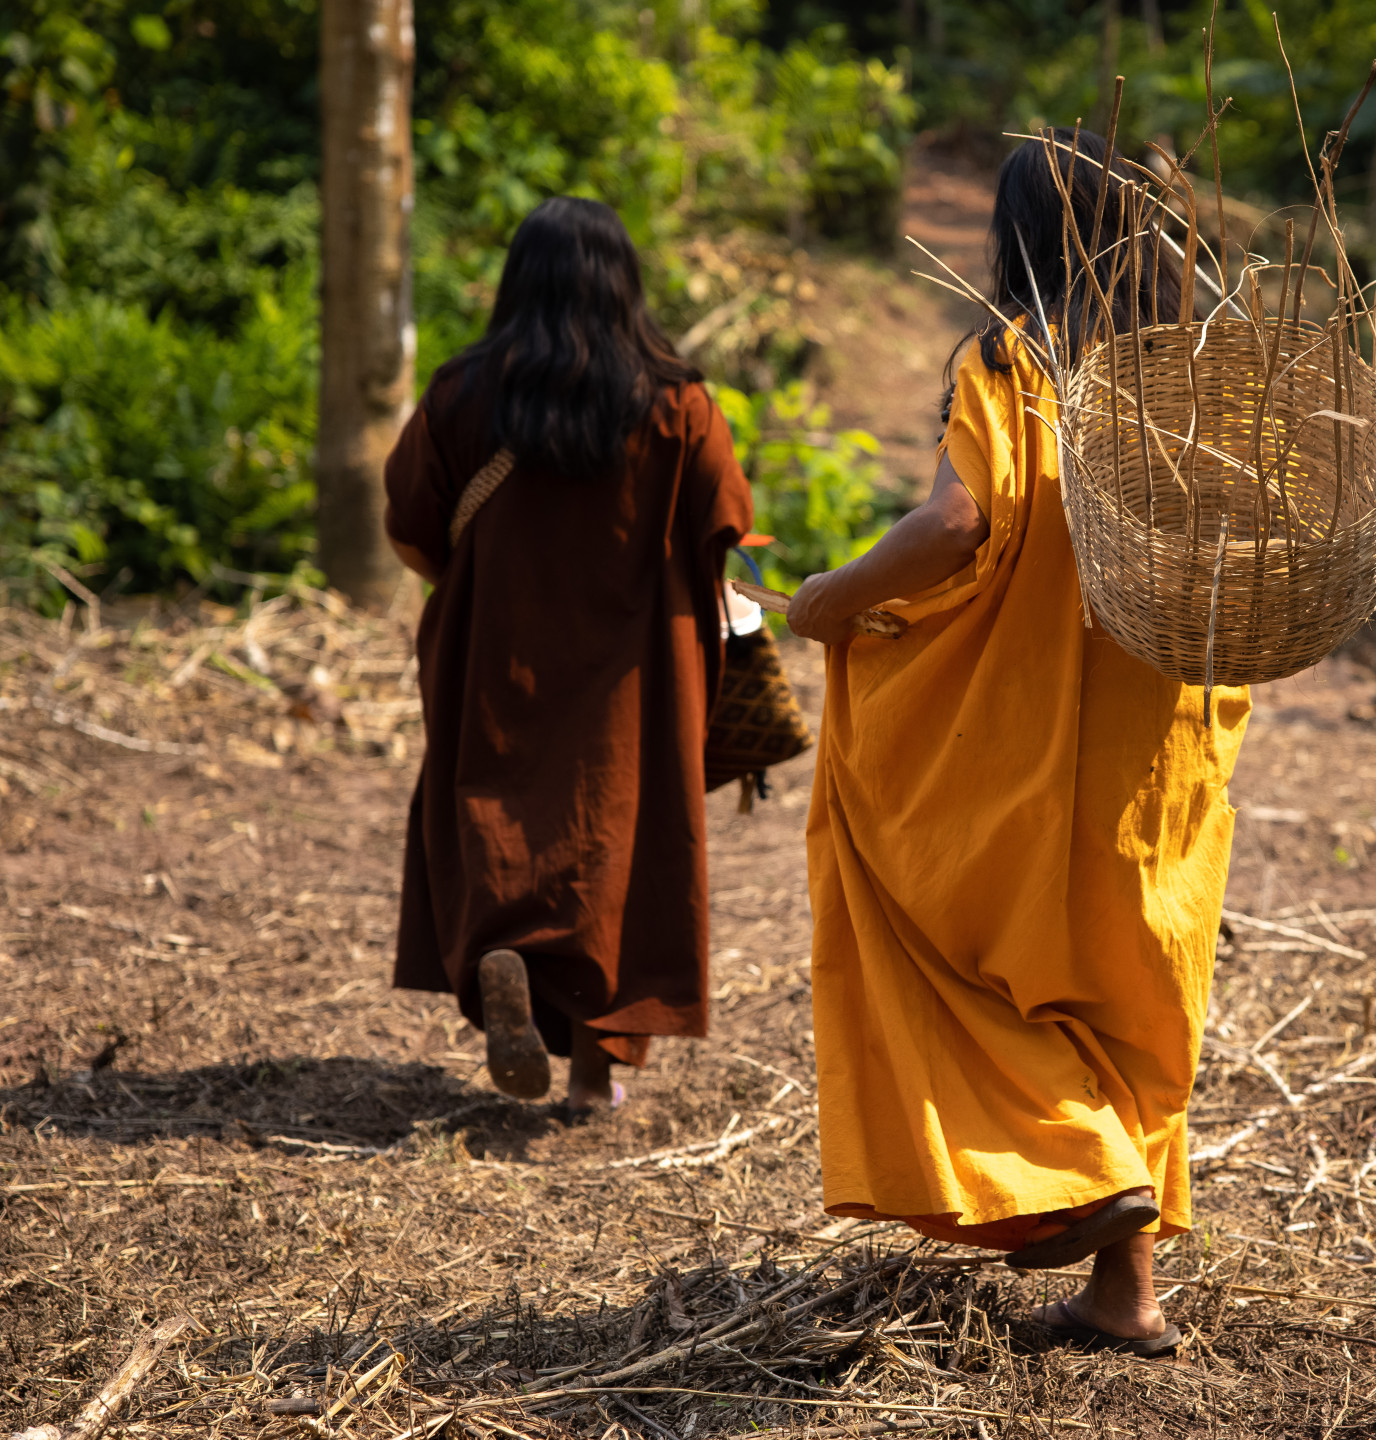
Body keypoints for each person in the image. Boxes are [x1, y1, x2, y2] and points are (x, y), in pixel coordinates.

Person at [788, 130, 1249, 1357]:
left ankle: (1085, 1165)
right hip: (1163, 743)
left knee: (951, 949)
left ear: (1025, 236)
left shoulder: (1017, 361)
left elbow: (956, 523)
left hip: (1024, 729)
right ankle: (1124, 1295)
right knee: (1128, 999)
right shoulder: (1198, 374)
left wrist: (834, 596)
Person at [382, 197, 754, 1114]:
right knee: (617, 838)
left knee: (498, 811)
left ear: (520, 281)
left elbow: (411, 526)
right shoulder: (679, 404)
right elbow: (724, 526)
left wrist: (470, 587)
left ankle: (503, 948)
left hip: (494, 655)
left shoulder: (462, 395)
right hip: (635, 674)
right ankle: (592, 1078)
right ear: (624, 284)